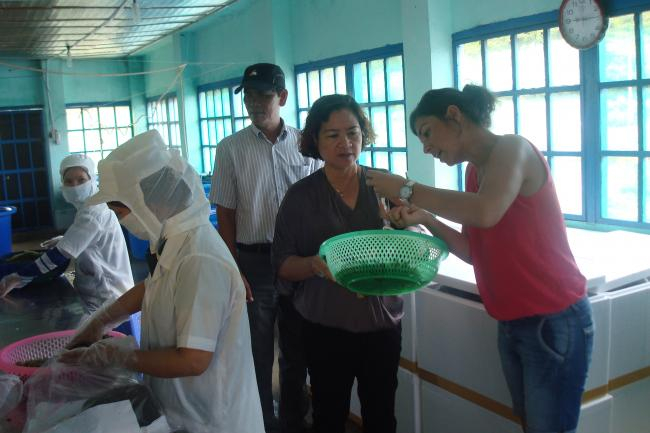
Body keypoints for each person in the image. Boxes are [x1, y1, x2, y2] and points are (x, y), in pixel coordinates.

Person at [366, 85, 594, 433]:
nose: (426, 148)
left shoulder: (513, 149)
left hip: (553, 318)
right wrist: (426, 218)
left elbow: (486, 211)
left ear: (454, 116)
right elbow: (475, 252)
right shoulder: (475, 173)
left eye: (427, 133)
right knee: (534, 425)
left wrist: (404, 188)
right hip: (513, 322)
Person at [60, 130, 264, 433]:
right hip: (184, 408)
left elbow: (193, 361)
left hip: (212, 417)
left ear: (149, 203)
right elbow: (155, 286)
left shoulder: (200, 259)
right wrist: (101, 322)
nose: (120, 220)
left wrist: (118, 355)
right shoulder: (174, 237)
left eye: (121, 211)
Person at [272, 94, 403, 433]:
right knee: (329, 415)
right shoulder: (300, 197)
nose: (345, 143)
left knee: (382, 415)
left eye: (353, 132)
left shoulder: (384, 184)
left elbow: (411, 233)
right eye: (333, 135)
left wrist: (408, 223)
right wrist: (315, 264)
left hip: (381, 324)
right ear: (315, 139)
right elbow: (283, 264)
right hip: (326, 327)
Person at [210, 63, 321, 433]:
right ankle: (262, 420)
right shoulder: (230, 149)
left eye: (264, 95)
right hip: (255, 262)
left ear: (283, 98)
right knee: (257, 350)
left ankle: (294, 419)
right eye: (250, 96)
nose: (256, 103)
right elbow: (225, 214)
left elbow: (321, 198)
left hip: (300, 261)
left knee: (298, 347)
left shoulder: (307, 143)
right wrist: (233, 268)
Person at [0, 154, 133, 314]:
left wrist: (18, 277)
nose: (75, 186)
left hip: (107, 296)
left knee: (109, 336)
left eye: (81, 180)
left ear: (92, 179)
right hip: (101, 291)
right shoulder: (89, 206)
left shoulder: (92, 213)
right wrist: (65, 239)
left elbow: (59, 255)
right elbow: (92, 238)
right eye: (68, 181)